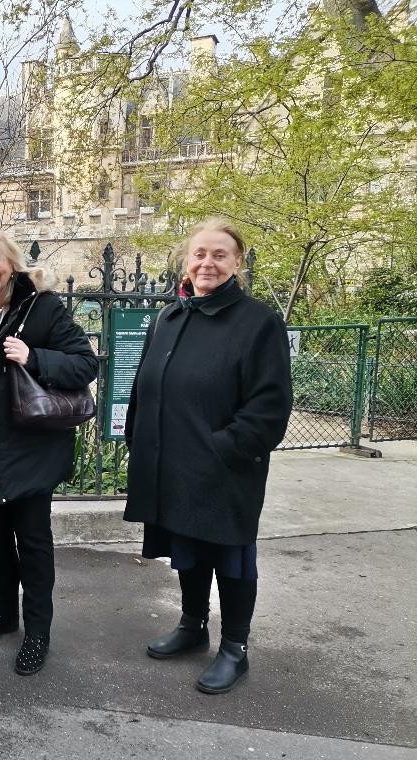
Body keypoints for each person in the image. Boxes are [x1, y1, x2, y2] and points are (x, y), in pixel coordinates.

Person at [123, 217, 293, 694]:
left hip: (225, 469)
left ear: (236, 262)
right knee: (188, 549)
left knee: (231, 557)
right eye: (199, 253)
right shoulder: (170, 316)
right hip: (173, 464)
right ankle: (193, 626)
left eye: (219, 255)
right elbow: (145, 386)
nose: (207, 263)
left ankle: (234, 648)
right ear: (185, 259)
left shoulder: (258, 322)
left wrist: (223, 449)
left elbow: (269, 407)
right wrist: (140, 440)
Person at [0, 229, 98, 676]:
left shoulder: (42, 307)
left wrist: (34, 357)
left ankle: (38, 631)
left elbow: (86, 363)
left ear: (12, 264)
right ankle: (2, 612)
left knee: (32, 541)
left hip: (29, 446)